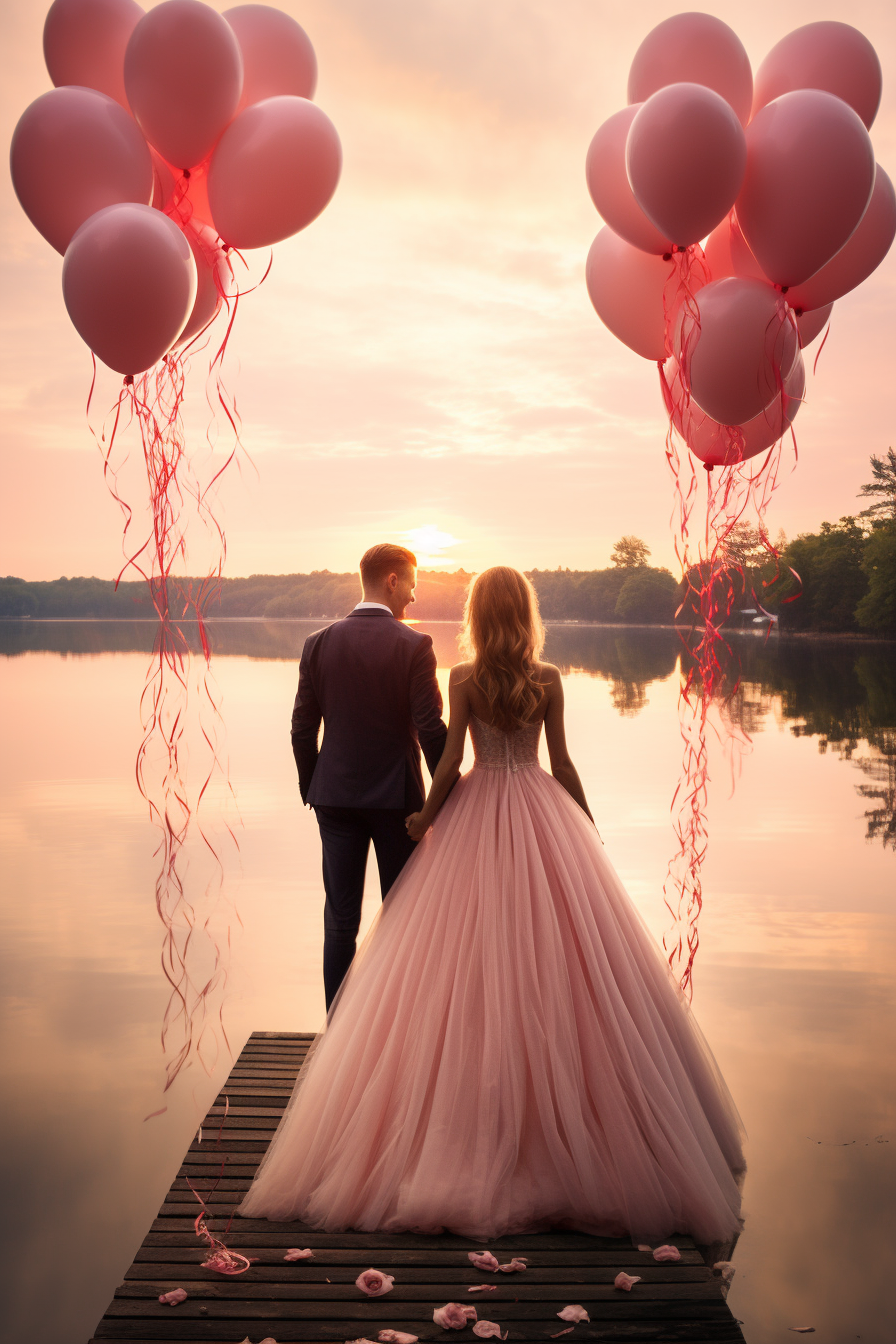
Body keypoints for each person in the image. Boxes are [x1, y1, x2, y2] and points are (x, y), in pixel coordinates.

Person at [240, 567, 744, 1243]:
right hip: (541, 812)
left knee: (452, 947)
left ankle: (432, 1064)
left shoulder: (465, 678)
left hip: (477, 811)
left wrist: (427, 817)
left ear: (477, 614)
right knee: (555, 947)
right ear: (528, 614)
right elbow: (561, 764)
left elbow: (448, 763)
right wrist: (586, 825)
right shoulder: (553, 678)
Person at [290, 542, 449, 1008]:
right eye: (413, 586)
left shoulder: (316, 643)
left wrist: (313, 787)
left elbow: (302, 728)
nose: (415, 598)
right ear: (393, 580)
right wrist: (445, 796)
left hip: (333, 798)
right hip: (397, 802)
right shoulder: (415, 645)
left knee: (340, 919)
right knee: (401, 917)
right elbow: (431, 729)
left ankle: (336, 1035)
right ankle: (395, 1031)